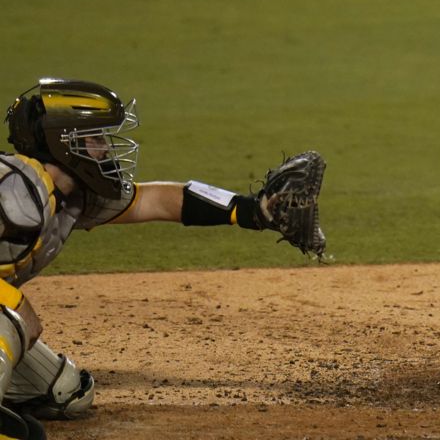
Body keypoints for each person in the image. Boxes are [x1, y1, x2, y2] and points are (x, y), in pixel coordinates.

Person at [0, 79, 326, 439]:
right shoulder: (15, 190)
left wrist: (251, 211)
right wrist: (15, 304)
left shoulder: (73, 197)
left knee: (65, 392)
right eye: (96, 140)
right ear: (65, 144)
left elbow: (152, 200)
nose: (107, 150)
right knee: (11, 320)